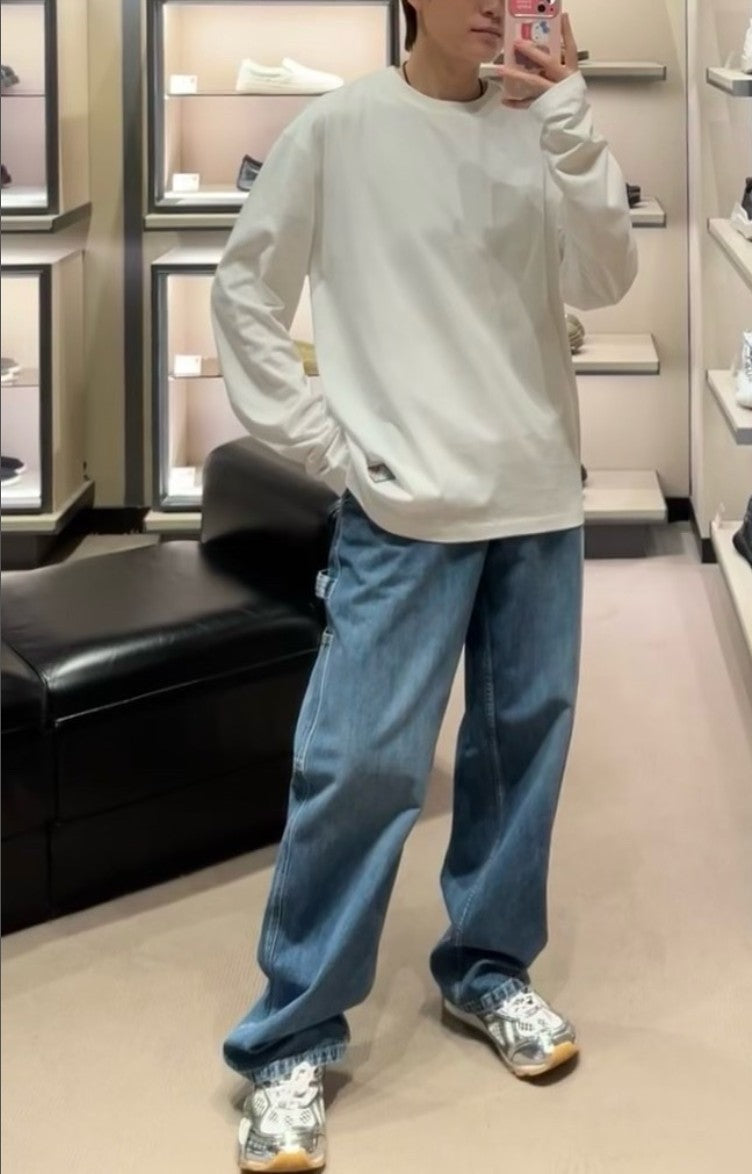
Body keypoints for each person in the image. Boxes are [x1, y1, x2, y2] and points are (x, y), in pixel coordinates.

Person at [210, 0, 637, 1168]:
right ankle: (290, 1037)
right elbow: (245, 289)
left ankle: (488, 968)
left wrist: (568, 117)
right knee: (359, 763)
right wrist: (325, 443)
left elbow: (605, 278)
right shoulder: (340, 128)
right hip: (401, 508)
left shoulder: (544, 124)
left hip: (536, 494)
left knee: (521, 746)